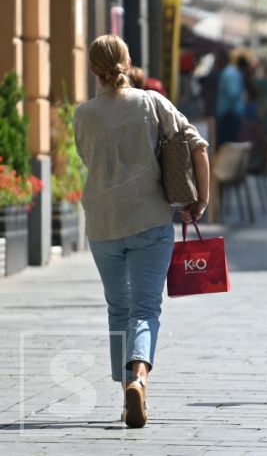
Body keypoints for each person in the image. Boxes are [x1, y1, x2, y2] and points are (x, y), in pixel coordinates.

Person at [74, 34, 210, 428]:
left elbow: (87, 159)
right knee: (146, 308)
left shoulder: (83, 114)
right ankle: (139, 377)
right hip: (150, 219)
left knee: (118, 308)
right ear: (128, 61)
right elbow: (197, 146)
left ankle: (126, 395)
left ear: (92, 69)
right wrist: (200, 201)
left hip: (102, 223)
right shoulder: (151, 102)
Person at [215, 49, 245, 146]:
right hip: (229, 115)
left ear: (222, 59)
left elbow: (233, 94)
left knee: (226, 144)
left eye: (217, 59)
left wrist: (227, 112)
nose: (216, 62)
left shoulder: (228, 73)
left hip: (229, 116)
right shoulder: (230, 71)